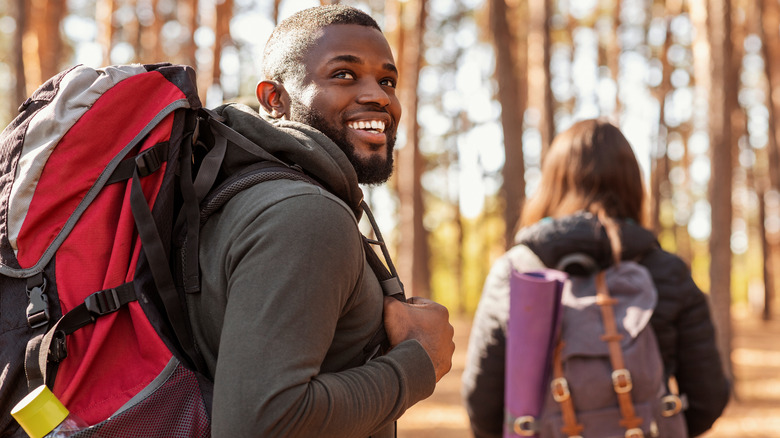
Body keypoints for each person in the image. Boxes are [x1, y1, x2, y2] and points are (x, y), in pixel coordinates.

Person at [186, 5, 455, 437]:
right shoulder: (304, 214)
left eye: (387, 81)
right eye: (344, 75)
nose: (379, 97)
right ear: (274, 99)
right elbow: (261, 423)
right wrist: (421, 359)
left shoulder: (249, 196)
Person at [461, 119, 730, 437]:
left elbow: (482, 403)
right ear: (632, 185)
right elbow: (708, 398)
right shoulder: (665, 270)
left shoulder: (517, 271)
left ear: (552, 183)